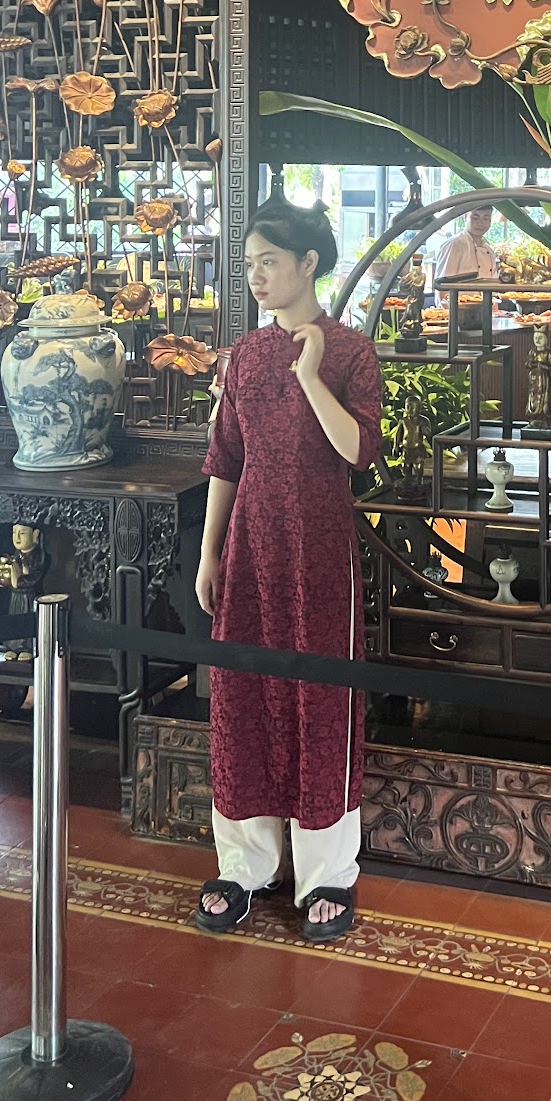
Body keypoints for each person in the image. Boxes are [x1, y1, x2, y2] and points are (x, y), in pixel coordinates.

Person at [194, 196, 382, 944]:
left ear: (308, 263)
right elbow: (225, 460)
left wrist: (309, 372)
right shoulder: (242, 355)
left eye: (268, 261)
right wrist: (210, 551)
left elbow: (358, 452)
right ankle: (244, 865)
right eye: (249, 264)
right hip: (250, 546)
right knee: (243, 694)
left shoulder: (351, 352)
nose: (256, 276)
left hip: (319, 552)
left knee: (320, 700)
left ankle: (326, 873)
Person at [435, 204, 499, 282]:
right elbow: (443, 283)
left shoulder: (489, 249)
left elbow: (494, 283)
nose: (480, 223)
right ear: (466, 217)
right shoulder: (454, 244)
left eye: (485, 218)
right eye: (475, 218)